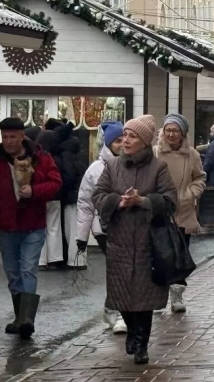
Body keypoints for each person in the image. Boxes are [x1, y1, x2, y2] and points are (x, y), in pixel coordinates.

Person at [92, 115, 177, 365]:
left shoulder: (158, 167)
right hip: (118, 241)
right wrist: (118, 202)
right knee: (121, 294)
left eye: (132, 136)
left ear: (145, 141)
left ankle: (141, 344)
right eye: (124, 136)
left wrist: (143, 201)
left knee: (143, 296)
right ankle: (132, 330)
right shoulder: (112, 166)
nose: (126, 140)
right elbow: (98, 194)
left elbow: (170, 200)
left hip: (147, 242)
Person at [0, 118, 62, 339]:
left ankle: (27, 319)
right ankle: (19, 317)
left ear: (22, 136)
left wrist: (34, 191)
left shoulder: (40, 157)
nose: (8, 141)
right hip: (6, 224)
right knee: (12, 272)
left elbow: (55, 183)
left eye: (12, 137)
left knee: (27, 269)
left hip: (33, 224)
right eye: (4, 137)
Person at [75, 122, 127, 334]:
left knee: (124, 269)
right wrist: (82, 237)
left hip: (129, 226)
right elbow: (85, 204)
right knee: (120, 269)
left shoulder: (134, 166)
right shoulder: (95, 170)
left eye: (124, 139)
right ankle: (119, 313)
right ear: (108, 143)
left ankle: (112, 308)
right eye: (117, 140)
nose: (122, 144)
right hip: (103, 228)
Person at [154, 113, 206, 314]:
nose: (171, 134)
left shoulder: (192, 155)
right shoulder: (155, 153)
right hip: (160, 213)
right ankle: (158, 297)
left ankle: (177, 295)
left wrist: (190, 194)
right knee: (159, 256)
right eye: (168, 130)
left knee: (180, 257)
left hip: (183, 213)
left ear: (183, 133)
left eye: (175, 130)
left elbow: (200, 178)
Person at [53, 121, 89, 269]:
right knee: (78, 229)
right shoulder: (78, 155)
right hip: (80, 195)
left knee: (71, 229)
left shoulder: (65, 155)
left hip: (70, 197)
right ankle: (79, 259)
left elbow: (69, 176)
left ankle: (75, 260)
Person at [35, 130, 65, 269]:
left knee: (39, 228)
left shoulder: (36, 158)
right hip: (55, 197)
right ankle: (54, 259)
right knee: (54, 227)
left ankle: (41, 260)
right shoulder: (57, 158)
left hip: (39, 196)